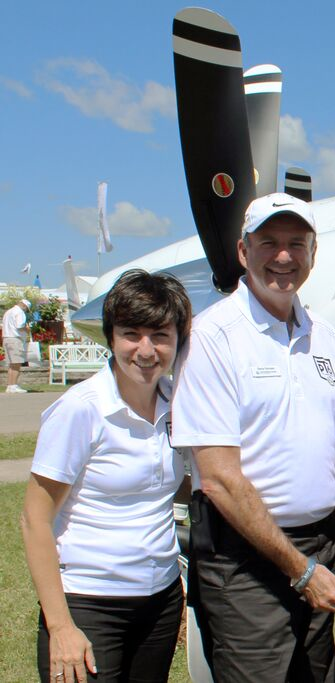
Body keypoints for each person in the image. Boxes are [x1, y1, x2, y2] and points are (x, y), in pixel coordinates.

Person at [171, 192, 335, 682]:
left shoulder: (321, 333)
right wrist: (299, 569)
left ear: (313, 253)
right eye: (269, 242)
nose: (284, 256)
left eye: (296, 243)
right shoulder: (212, 337)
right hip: (246, 558)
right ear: (243, 251)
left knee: (316, 675)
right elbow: (218, 479)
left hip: (322, 543)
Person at [21, 269, 192, 683]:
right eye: (131, 334)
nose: (146, 350)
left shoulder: (179, 405)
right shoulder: (82, 409)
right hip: (89, 602)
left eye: (161, 335)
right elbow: (34, 520)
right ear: (110, 338)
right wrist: (61, 626)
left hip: (159, 601)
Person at [3, 297, 32, 393]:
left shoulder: (8, 312)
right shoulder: (19, 312)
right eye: (26, 309)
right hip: (15, 339)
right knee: (17, 364)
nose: (26, 311)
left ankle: (10, 386)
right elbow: (20, 325)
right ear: (24, 306)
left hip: (6, 338)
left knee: (12, 364)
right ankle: (14, 385)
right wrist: (27, 328)